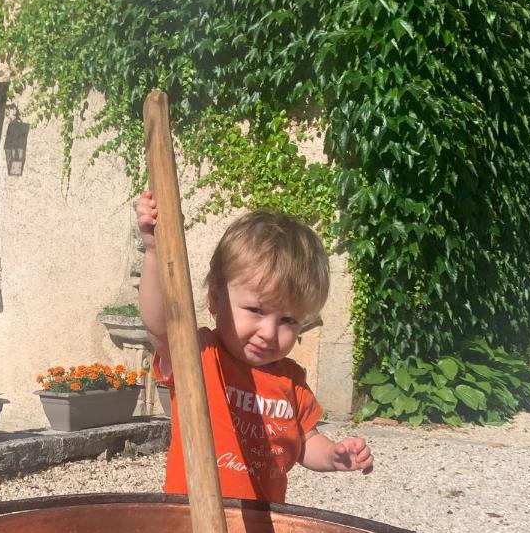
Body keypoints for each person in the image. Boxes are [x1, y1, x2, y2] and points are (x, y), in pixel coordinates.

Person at [137, 190, 373, 502]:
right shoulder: (200, 356)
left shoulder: (291, 381)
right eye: (257, 311)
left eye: (288, 320)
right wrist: (155, 252)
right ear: (216, 299)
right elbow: (160, 321)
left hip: (265, 530)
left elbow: (304, 441)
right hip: (192, 528)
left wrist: (332, 455)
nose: (269, 332)